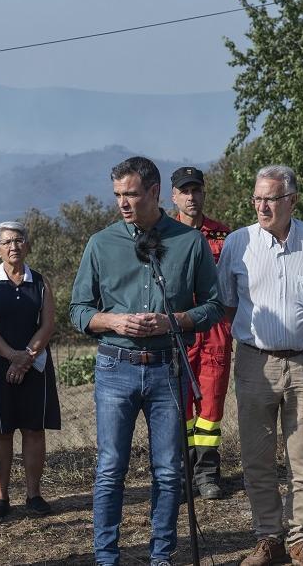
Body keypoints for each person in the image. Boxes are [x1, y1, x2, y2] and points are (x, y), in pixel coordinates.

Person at [70, 156, 224, 566]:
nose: (123, 203)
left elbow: (215, 306)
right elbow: (79, 310)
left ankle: (161, 557)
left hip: (166, 367)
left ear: (155, 193)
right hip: (114, 367)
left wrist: (172, 321)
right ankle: (106, 558)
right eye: (118, 195)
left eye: (132, 194)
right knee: (109, 470)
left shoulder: (189, 243)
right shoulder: (101, 243)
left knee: (170, 470)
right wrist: (114, 320)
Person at [217, 166, 303, 566]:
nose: (262, 206)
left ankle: (301, 539)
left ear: (292, 200)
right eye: (257, 198)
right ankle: (268, 537)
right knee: (256, 457)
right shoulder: (238, 244)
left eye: (271, 198)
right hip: (255, 362)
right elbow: (228, 302)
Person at [0, 221, 60, 519]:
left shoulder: (40, 282)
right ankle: (1, 497)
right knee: (0, 431)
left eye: (19, 240)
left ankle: (34, 495)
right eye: (7, 241)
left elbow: (47, 324)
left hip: (34, 366)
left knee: (34, 429)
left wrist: (26, 357)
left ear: (27, 244)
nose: (14, 246)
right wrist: (12, 356)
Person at [168, 166, 233, 501]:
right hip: (176, 329)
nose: (191, 197)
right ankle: (180, 473)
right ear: (173, 196)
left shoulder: (223, 235)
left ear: (204, 193)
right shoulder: (163, 233)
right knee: (178, 405)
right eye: (185, 191)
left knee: (210, 406)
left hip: (215, 330)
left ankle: (206, 473)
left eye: (196, 190)